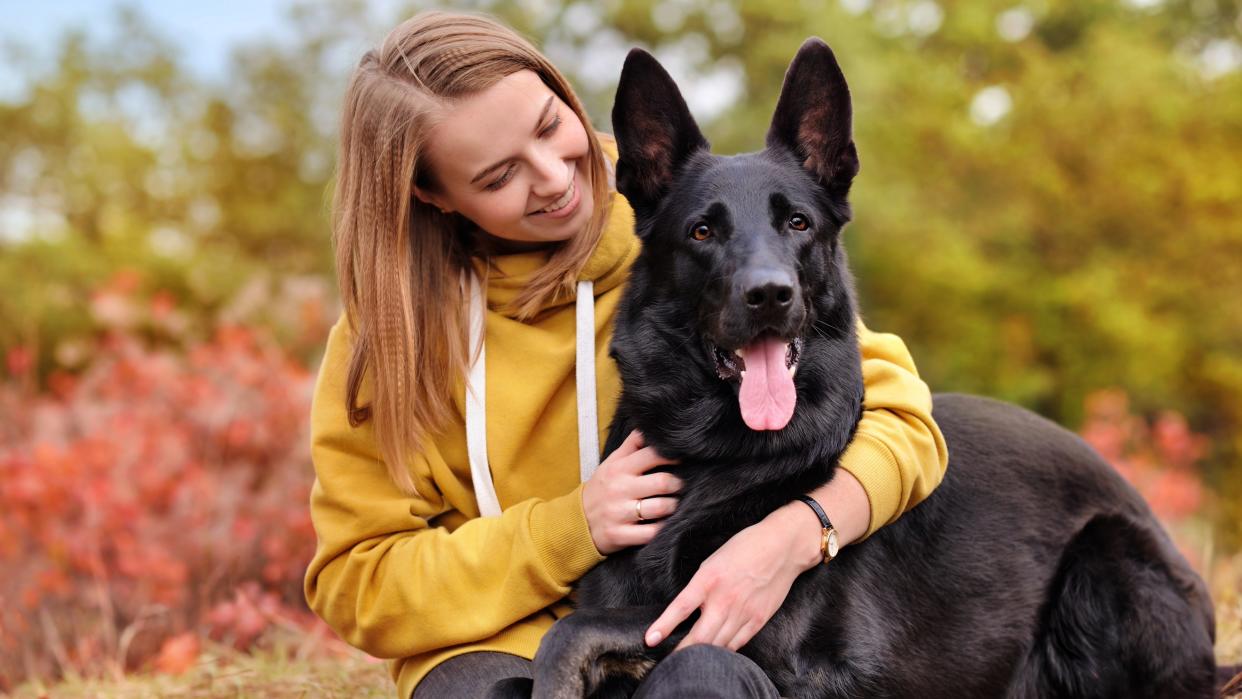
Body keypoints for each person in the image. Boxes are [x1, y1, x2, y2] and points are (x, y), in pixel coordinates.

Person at [303, 10, 949, 699]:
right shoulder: (391, 337)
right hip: (499, 647)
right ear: (431, 195)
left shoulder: (689, 240)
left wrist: (798, 534)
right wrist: (566, 530)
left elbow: (901, 419)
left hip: (680, 636)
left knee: (700, 682)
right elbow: (357, 578)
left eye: (551, 127)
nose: (554, 177)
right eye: (498, 177)